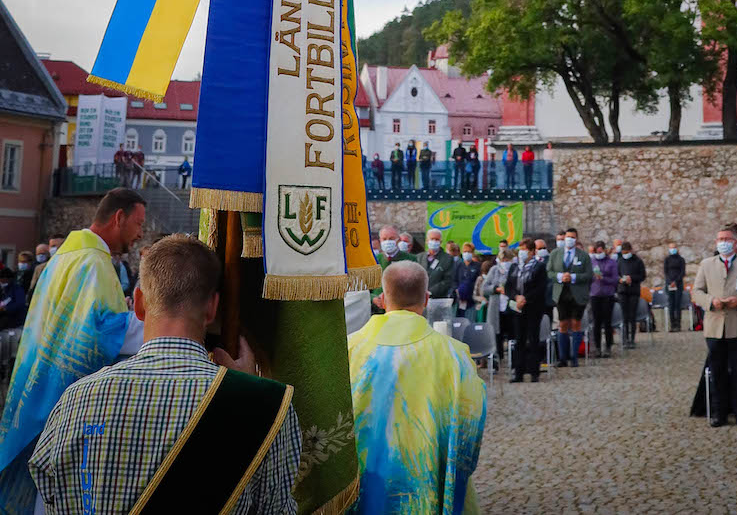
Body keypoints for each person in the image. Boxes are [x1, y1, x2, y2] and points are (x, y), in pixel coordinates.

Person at [31, 233, 299, 515]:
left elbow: (50, 496)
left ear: (138, 303)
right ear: (212, 308)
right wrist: (248, 390)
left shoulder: (76, 400)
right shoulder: (262, 405)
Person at [0, 189, 146, 514]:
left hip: (39, 379)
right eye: (138, 223)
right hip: (64, 397)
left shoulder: (64, 256)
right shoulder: (92, 262)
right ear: (118, 218)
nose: (139, 234)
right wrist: (157, 322)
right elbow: (94, 331)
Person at [349, 261, 487, 515]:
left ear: (381, 298)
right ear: (426, 299)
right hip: (427, 481)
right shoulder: (454, 354)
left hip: (366, 482)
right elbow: (470, 420)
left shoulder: (349, 348)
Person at [692, 225, 737, 427]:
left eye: (726, 238)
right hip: (715, 326)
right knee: (718, 371)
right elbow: (697, 291)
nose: (722, 242)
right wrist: (710, 301)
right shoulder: (707, 264)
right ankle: (719, 412)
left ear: (736, 242)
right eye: (719, 239)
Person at [547, 226, 593, 367]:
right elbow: (549, 272)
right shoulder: (555, 254)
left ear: (576, 239)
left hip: (577, 294)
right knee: (562, 324)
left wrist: (573, 277)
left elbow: (588, 275)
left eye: (572, 237)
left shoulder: (583, 256)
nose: (569, 240)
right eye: (568, 237)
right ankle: (563, 357)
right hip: (561, 293)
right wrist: (561, 276)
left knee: (575, 324)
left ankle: (574, 356)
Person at [506, 239, 547, 383]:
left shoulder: (539, 267)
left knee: (533, 339)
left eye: (525, 250)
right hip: (517, 308)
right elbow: (508, 287)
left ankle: (534, 372)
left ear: (532, 251)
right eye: (520, 250)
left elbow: (541, 287)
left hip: (533, 307)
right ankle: (518, 372)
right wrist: (516, 297)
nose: (522, 253)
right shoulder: (515, 267)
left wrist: (525, 298)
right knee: (519, 340)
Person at [419, 228, 457, 325]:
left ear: (440, 242)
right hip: (420, 302)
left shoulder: (447, 259)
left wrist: (430, 292)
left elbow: (448, 280)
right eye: (432, 239)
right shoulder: (419, 257)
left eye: (437, 239)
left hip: (438, 301)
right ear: (427, 241)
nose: (434, 242)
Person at [589, 241, 619, 357]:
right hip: (595, 294)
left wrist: (603, 278)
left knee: (607, 322)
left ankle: (608, 346)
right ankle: (597, 347)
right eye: (597, 251)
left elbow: (615, 279)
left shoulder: (611, 262)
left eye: (601, 251)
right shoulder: (591, 262)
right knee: (596, 322)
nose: (599, 253)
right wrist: (593, 278)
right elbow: (588, 278)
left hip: (608, 295)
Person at [617, 241, 646, 348]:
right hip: (622, 291)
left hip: (634, 291)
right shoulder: (620, 261)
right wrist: (620, 280)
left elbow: (642, 276)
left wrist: (632, 278)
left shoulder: (638, 261)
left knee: (632, 316)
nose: (625, 254)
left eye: (626, 252)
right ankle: (625, 338)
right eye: (623, 253)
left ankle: (632, 339)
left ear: (630, 251)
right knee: (624, 316)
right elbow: (616, 274)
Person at [664, 242, 686, 331]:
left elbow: (682, 272)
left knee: (678, 304)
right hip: (669, 284)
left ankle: (678, 324)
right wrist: (670, 282)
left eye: (674, 247)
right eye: (671, 247)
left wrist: (676, 281)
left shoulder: (681, 259)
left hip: (679, 284)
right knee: (671, 304)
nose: (672, 249)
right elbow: (665, 272)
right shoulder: (667, 259)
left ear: (677, 248)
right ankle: (672, 324)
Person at [455, 245, 479, 321]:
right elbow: (454, 280)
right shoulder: (458, 265)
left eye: (469, 252)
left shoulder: (477, 266)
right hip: (459, 300)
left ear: (472, 253)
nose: (466, 253)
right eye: (465, 251)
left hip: (472, 300)